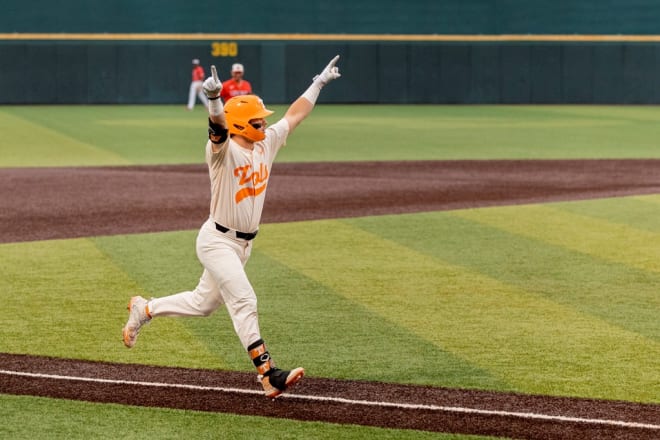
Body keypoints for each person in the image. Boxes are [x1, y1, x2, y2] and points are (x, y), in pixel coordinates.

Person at [122, 55, 342, 399]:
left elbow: (293, 116)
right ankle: (268, 374)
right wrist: (213, 101)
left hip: (243, 246)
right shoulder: (222, 153)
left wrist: (317, 83)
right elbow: (217, 130)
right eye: (257, 120)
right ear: (240, 124)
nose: (263, 124)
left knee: (203, 304)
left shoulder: (265, 143)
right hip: (216, 241)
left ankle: (145, 309)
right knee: (244, 299)